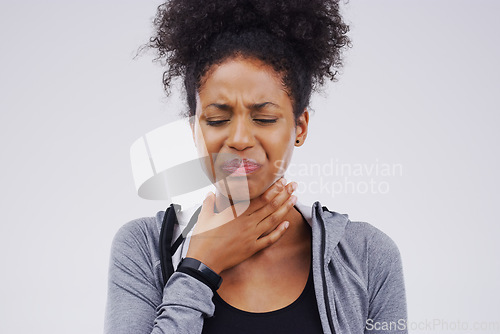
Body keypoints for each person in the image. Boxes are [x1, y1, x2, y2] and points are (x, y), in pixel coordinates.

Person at [104, 0, 408, 333]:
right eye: (218, 119)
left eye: (263, 118)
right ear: (194, 130)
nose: (239, 138)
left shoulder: (367, 256)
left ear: (300, 127)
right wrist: (198, 268)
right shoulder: (142, 247)